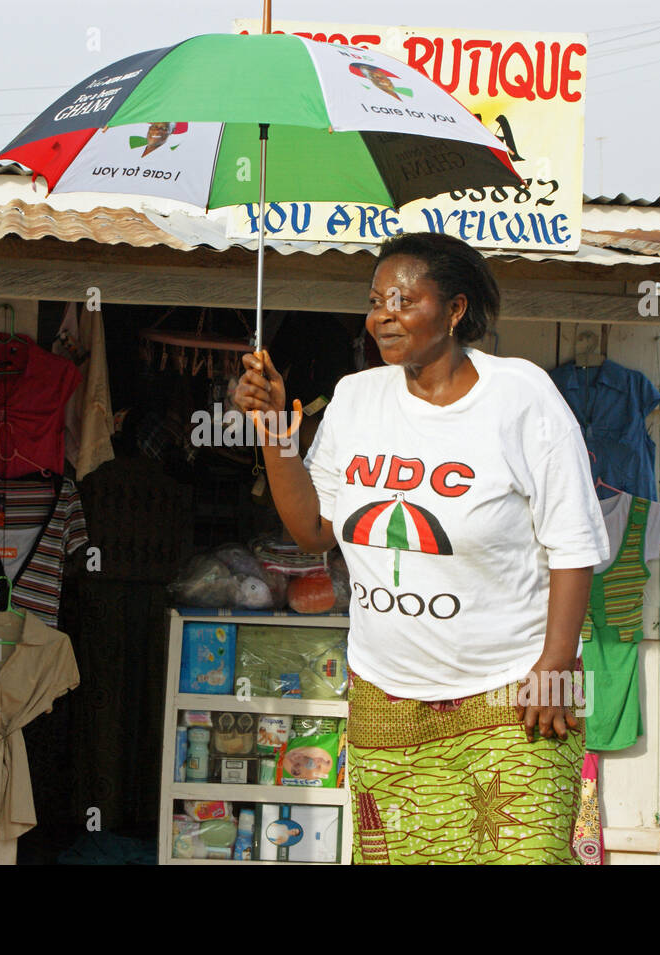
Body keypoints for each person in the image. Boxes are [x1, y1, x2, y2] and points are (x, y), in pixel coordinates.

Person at [233, 232, 612, 864]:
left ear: (456, 310)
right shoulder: (358, 398)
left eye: (404, 299)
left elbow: (573, 543)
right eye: (375, 300)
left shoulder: (521, 396)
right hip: (388, 699)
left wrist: (556, 663)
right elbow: (314, 532)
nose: (383, 314)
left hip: (514, 695)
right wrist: (275, 436)